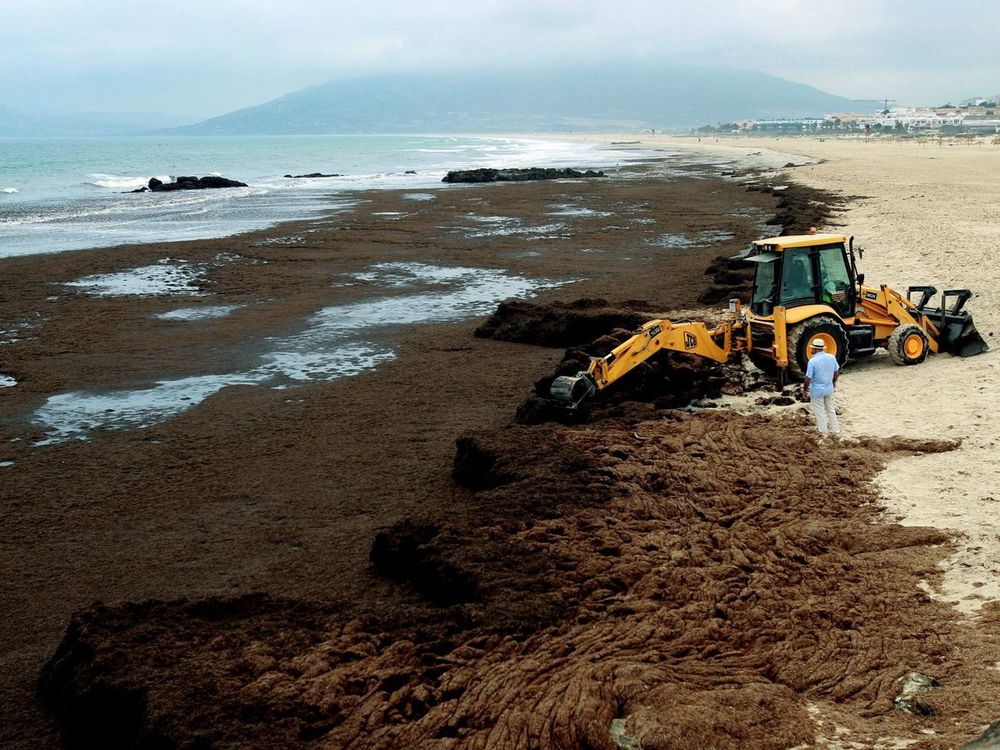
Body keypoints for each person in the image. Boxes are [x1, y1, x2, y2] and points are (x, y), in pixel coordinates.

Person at [802, 338, 840, 436]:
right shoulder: (832, 357)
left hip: (817, 390)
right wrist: (834, 382)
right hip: (828, 388)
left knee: (820, 412)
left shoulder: (812, 361)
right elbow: (836, 372)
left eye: (812, 348)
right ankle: (836, 430)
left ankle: (824, 433)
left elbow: (808, 378)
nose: (811, 350)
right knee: (830, 409)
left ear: (815, 349)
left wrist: (805, 391)